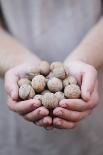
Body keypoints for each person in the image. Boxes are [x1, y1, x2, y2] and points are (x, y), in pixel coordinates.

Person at [0, 0, 103, 154]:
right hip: (16, 124)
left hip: (91, 79)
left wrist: (86, 59)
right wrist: (17, 62)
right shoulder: (31, 82)